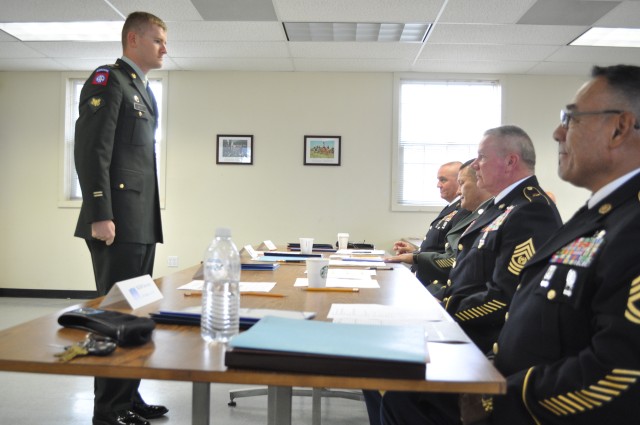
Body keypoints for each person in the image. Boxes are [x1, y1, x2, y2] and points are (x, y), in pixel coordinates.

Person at [364, 125, 562, 425]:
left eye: (482, 157)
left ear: (510, 161)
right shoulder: (498, 208)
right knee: (377, 369)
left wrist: (436, 313)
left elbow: (504, 299)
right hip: (462, 328)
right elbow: (465, 275)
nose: (475, 164)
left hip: (484, 343)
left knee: (399, 392)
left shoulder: (530, 210)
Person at [486, 64, 640, 424]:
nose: (557, 133)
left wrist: (498, 401)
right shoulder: (602, 214)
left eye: (571, 119)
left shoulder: (630, 225)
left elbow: (622, 372)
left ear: (619, 128)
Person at [74, 11, 168, 425]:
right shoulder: (107, 80)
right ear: (133, 40)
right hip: (116, 221)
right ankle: (108, 410)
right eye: (158, 40)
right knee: (114, 316)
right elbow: (92, 150)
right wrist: (100, 211)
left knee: (137, 315)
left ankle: (129, 396)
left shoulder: (143, 90)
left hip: (141, 221)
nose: (165, 48)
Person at [386, 159, 493, 299]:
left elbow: (457, 260)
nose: (458, 191)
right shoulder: (468, 210)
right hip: (443, 286)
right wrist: (417, 253)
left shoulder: (476, 212)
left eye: (461, 183)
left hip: (454, 290)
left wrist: (416, 257)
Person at [392, 161, 470, 285]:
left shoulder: (464, 210)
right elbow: (439, 247)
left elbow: (451, 255)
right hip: (425, 276)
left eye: (443, 180)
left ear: (459, 181)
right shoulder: (451, 207)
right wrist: (416, 251)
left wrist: (416, 257)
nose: (438, 185)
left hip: (437, 283)